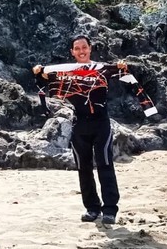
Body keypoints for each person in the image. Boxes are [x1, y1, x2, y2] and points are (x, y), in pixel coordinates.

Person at [32, 35, 128, 225]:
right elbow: (43, 79)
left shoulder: (102, 69)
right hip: (79, 124)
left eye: (84, 47)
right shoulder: (66, 72)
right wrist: (38, 71)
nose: (81, 51)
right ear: (72, 52)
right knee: (83, 168)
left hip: (101, 123)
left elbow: (125, 75)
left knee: (105, 164)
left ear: (90, 48)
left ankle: (109, 210)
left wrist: (122, 67)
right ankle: (92, 208)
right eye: (77, 48)